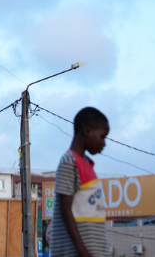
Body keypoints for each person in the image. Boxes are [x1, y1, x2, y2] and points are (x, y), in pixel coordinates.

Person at [50, 107, 111, 257]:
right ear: (87, 131)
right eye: (102, 137)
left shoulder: (87, 164)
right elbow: (65, 210)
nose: (104, 143)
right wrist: (82, 251)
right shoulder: (69, 162)